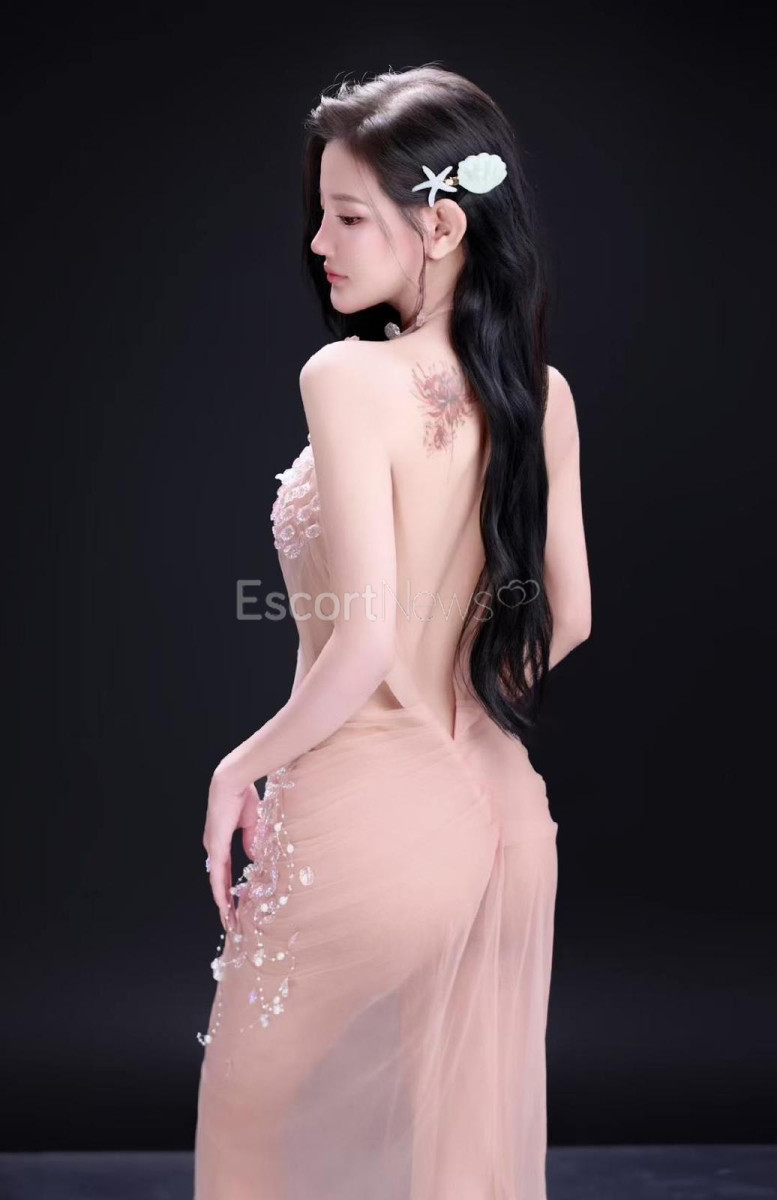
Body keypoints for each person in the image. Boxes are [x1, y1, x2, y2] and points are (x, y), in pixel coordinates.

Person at [193, 64, 591, 1200]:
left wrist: (238, 766)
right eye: (320, 213)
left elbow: (363, 640)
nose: (319, 241)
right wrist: (461, 707)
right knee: (454, 1153)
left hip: (365, 812)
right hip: (503, 813)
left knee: (245, 1121)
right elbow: (570, 615)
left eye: (350, 216)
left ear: (443, 227)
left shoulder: (347, 376)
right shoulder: (542, 392)